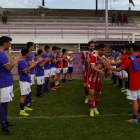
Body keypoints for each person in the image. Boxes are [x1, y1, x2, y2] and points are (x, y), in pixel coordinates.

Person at [104, 43, 140, 123]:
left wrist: (109, 67)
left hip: (133, 82)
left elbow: (119, 69)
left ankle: (134, 119)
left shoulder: (130, 59)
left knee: (134, 100)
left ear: (131, 49)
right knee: (139, 99)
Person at [0, 36, 21, 135]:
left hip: (6, 82)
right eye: (9, 44)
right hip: (4, 83)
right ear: (5, 44)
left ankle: (5, 121)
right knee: (3, 105)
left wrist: (12, 62)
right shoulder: (0, 54)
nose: (9, 45)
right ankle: (4, 127)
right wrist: (14, 62)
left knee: (5, 103)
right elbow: (8, 68)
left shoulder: (2, 53)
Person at [88, 44, 106, 117]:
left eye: (104, 50)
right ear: (98, 50)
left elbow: (105, 66)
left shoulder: (104, 57)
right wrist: (100, 71)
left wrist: (105, 66)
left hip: (98, 79)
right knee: (92, 94)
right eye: (102, 50)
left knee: (97, 94)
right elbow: (92, 67)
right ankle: (91, 109)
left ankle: (96, 108)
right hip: (91, 78)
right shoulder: (94, 57)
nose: (103, 52)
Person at [18, 49, 35, 116]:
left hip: (27, 80)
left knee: (26, 94)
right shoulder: (22, 61)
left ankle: (24, 107)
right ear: (26, 54)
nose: (29, 54)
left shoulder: (24, 60)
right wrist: (31, 66)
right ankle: (21, 110)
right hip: (24, 80)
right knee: (23, 95)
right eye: (28, 53)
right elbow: (25, 71)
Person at [26, 42, 36, 107]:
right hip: (29, 72)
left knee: (31, 86)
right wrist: (36, 63)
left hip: (32, 72)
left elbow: (33, 62)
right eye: (33, 46)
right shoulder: (27, 54)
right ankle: (27, 101)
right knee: (28, 87)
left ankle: (29, 99)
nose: (33, 47)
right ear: (30, 47)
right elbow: (30, 64)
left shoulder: (31, 54)